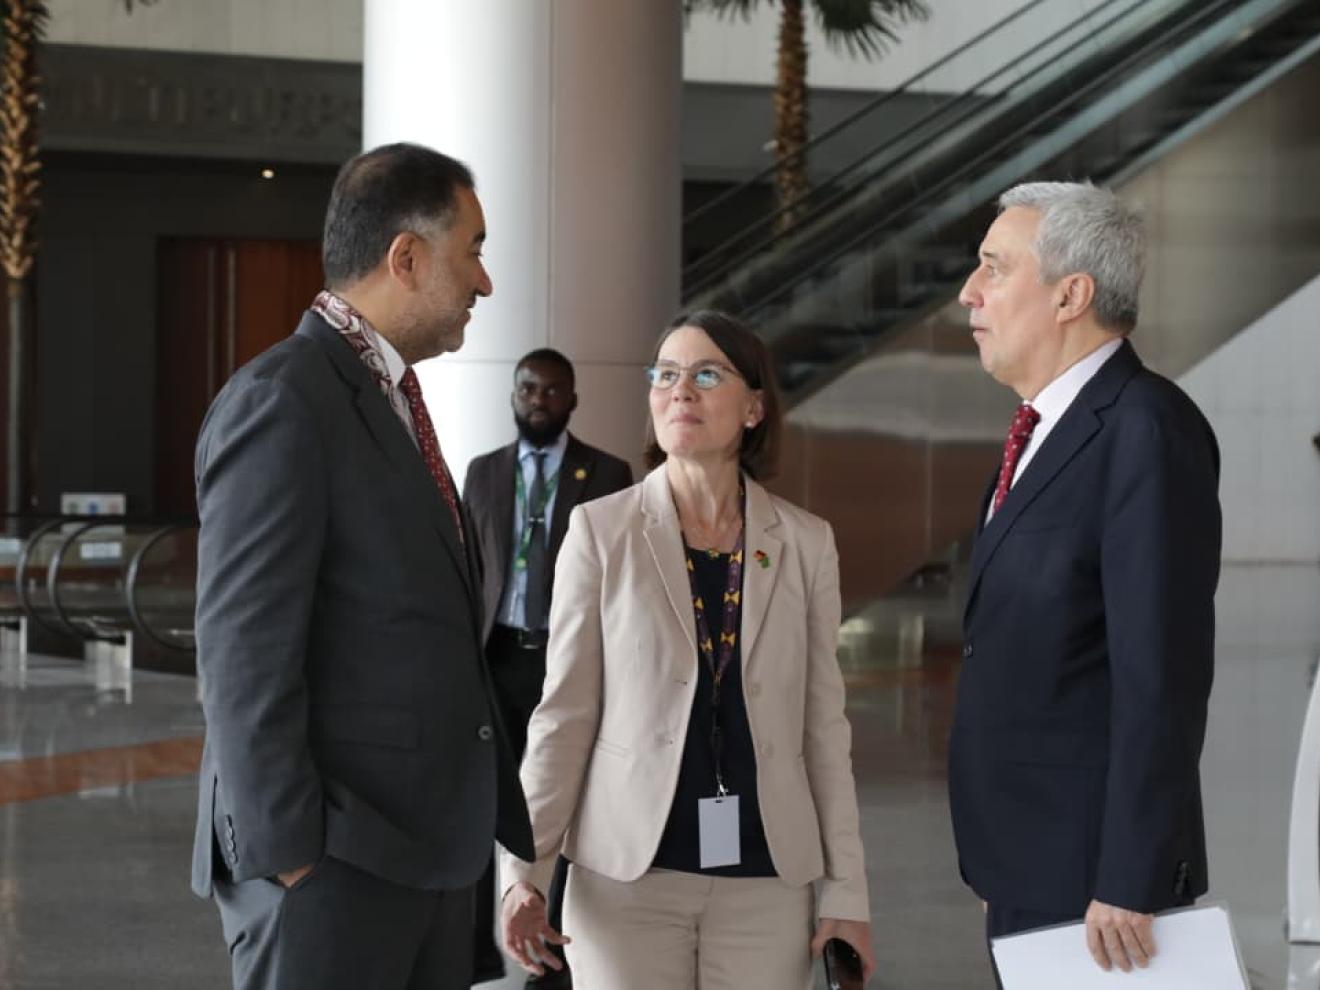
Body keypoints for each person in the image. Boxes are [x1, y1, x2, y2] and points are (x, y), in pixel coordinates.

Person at [189, 142, 532, 990]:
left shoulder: (382, 395)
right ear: (406, 258)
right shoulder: (283, 400)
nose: (485, 283)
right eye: (474, 250)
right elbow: (241, 653)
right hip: (332, 867)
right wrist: (290, 859)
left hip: (418, 858)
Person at [498, 309, 875, 989]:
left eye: (707, 374)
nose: (681, 391)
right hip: (626, 884)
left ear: (754, 406)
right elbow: (564, 717)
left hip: (766, 883)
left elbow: (824, 728)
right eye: (666, 375)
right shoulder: (601, 532)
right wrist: (524, 874)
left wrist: (848, 895)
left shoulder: (805, 542)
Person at [948, 181, 1221, 979]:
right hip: (1027, 861)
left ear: (1072, 295)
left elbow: (1160, 675)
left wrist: (1129, 877)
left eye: (994, 268)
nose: (970, 291)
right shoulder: (1038, 427)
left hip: (1098, 887)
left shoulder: (1145, 429)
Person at [463, 347, 633, 986]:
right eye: (528, 389)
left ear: (573, 400)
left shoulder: (609, 474)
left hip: (570, 665)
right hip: (498, 658)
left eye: (552, 391)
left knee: (560, 805)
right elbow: (470, 576)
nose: (539, 400)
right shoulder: (483, 474)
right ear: (513, 394)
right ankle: (481, 948)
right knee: (488, 804)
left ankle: (553, 955)